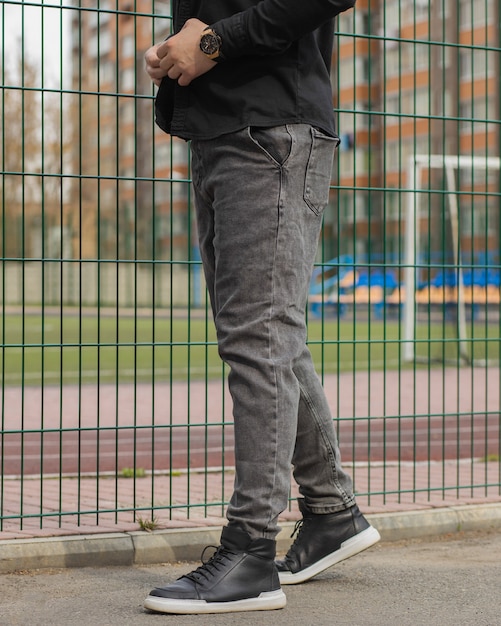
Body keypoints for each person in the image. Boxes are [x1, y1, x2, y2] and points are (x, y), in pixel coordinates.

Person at [143, 0, 380, 615]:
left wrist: (214, 43)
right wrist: (177, 52)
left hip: (268, 132)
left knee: (260, 338)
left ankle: (250, 550)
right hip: (226, 132)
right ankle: (331, 512)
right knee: (264, 336)